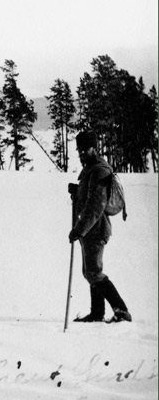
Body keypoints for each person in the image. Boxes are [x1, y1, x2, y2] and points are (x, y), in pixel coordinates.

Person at [69, 130, 131, 323]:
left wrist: (79, 229)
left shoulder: (99, 170)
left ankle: (121, 311)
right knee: (90, 272)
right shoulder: (90, 169)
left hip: (96, 229)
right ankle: (97, 313)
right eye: (79, 149)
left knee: (93, 272)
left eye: (85, 149)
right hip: (90, 230)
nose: (81, 153)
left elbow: (96, 205)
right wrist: (78, 191)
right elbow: (88, 197)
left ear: (94, 148)